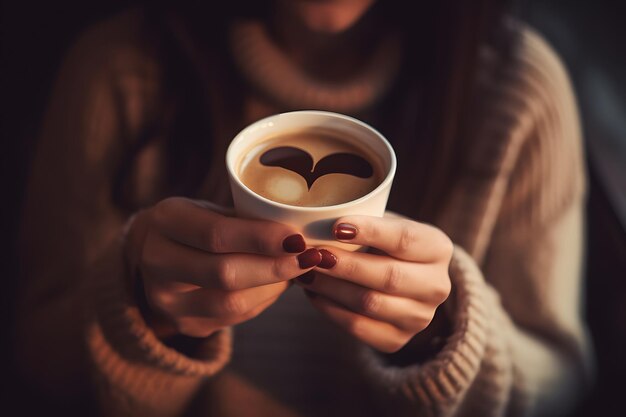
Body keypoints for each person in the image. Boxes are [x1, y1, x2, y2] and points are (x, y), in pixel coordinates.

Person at [14, 0, 594, 416]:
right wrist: (141, 312)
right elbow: (34, 364)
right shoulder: (118, 69)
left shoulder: (519, 92)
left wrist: (444, 337)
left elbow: (562, 384)